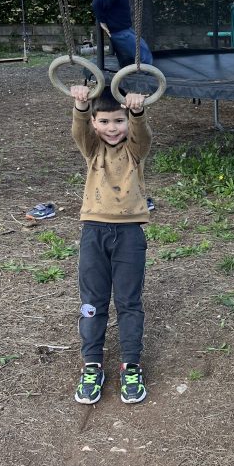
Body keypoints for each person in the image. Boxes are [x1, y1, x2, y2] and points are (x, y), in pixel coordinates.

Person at [69, 83, 153, 406]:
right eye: (104, 121)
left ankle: (131, 365)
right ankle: (92, 365)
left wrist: (137, 112)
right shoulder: (93, 150)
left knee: (129, 301)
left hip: (129, 233)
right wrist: (81, 105)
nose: (112, 128)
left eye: (119, 121)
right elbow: (79, 132)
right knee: (93, 301)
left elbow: (141, 135)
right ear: (94, 123)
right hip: (94, 232)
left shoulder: (135, 151)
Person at [93, 0, 153, 69]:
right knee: (144, 55)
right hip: (119, 33)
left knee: (142, 47)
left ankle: (130, 70)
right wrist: (102, 21)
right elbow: (96, 4)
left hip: (126, 29)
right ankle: (146, 76)